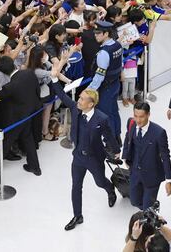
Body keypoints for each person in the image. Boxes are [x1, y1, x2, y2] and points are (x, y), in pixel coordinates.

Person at [51, 81, 119, 231]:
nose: (78, 101)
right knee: (76, 186)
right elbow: (62, 95)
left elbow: (109, 136)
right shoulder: (76, 110)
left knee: (100, 182)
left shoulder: (102, 119)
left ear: (91, 104)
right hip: (78, 158)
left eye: (82, 99)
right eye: (79, 98)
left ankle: (110, 190)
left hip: (94, 158)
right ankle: (77, 215)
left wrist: (116, 151)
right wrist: (54, 79)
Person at [0, 55, 42, 175]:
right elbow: (37, 91)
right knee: (28, 138)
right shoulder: (29, 73)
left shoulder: (10, 87)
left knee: (6, 141)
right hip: (31, 112)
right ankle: (34, 166)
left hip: (17, 118)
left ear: (3, 72)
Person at [121, 101, 171, 211]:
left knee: (147, 209)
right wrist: (125, 156)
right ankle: (149, 205)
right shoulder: (131, 123)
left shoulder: (159, 133)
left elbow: (165, 156)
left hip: (152, 176)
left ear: (148, 115)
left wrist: (169, 180)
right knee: (134, 201)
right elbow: (127, 138)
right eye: (136, 116)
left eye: (141, 117)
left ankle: (150, 211)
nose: (138, 120)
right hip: (135, 172)